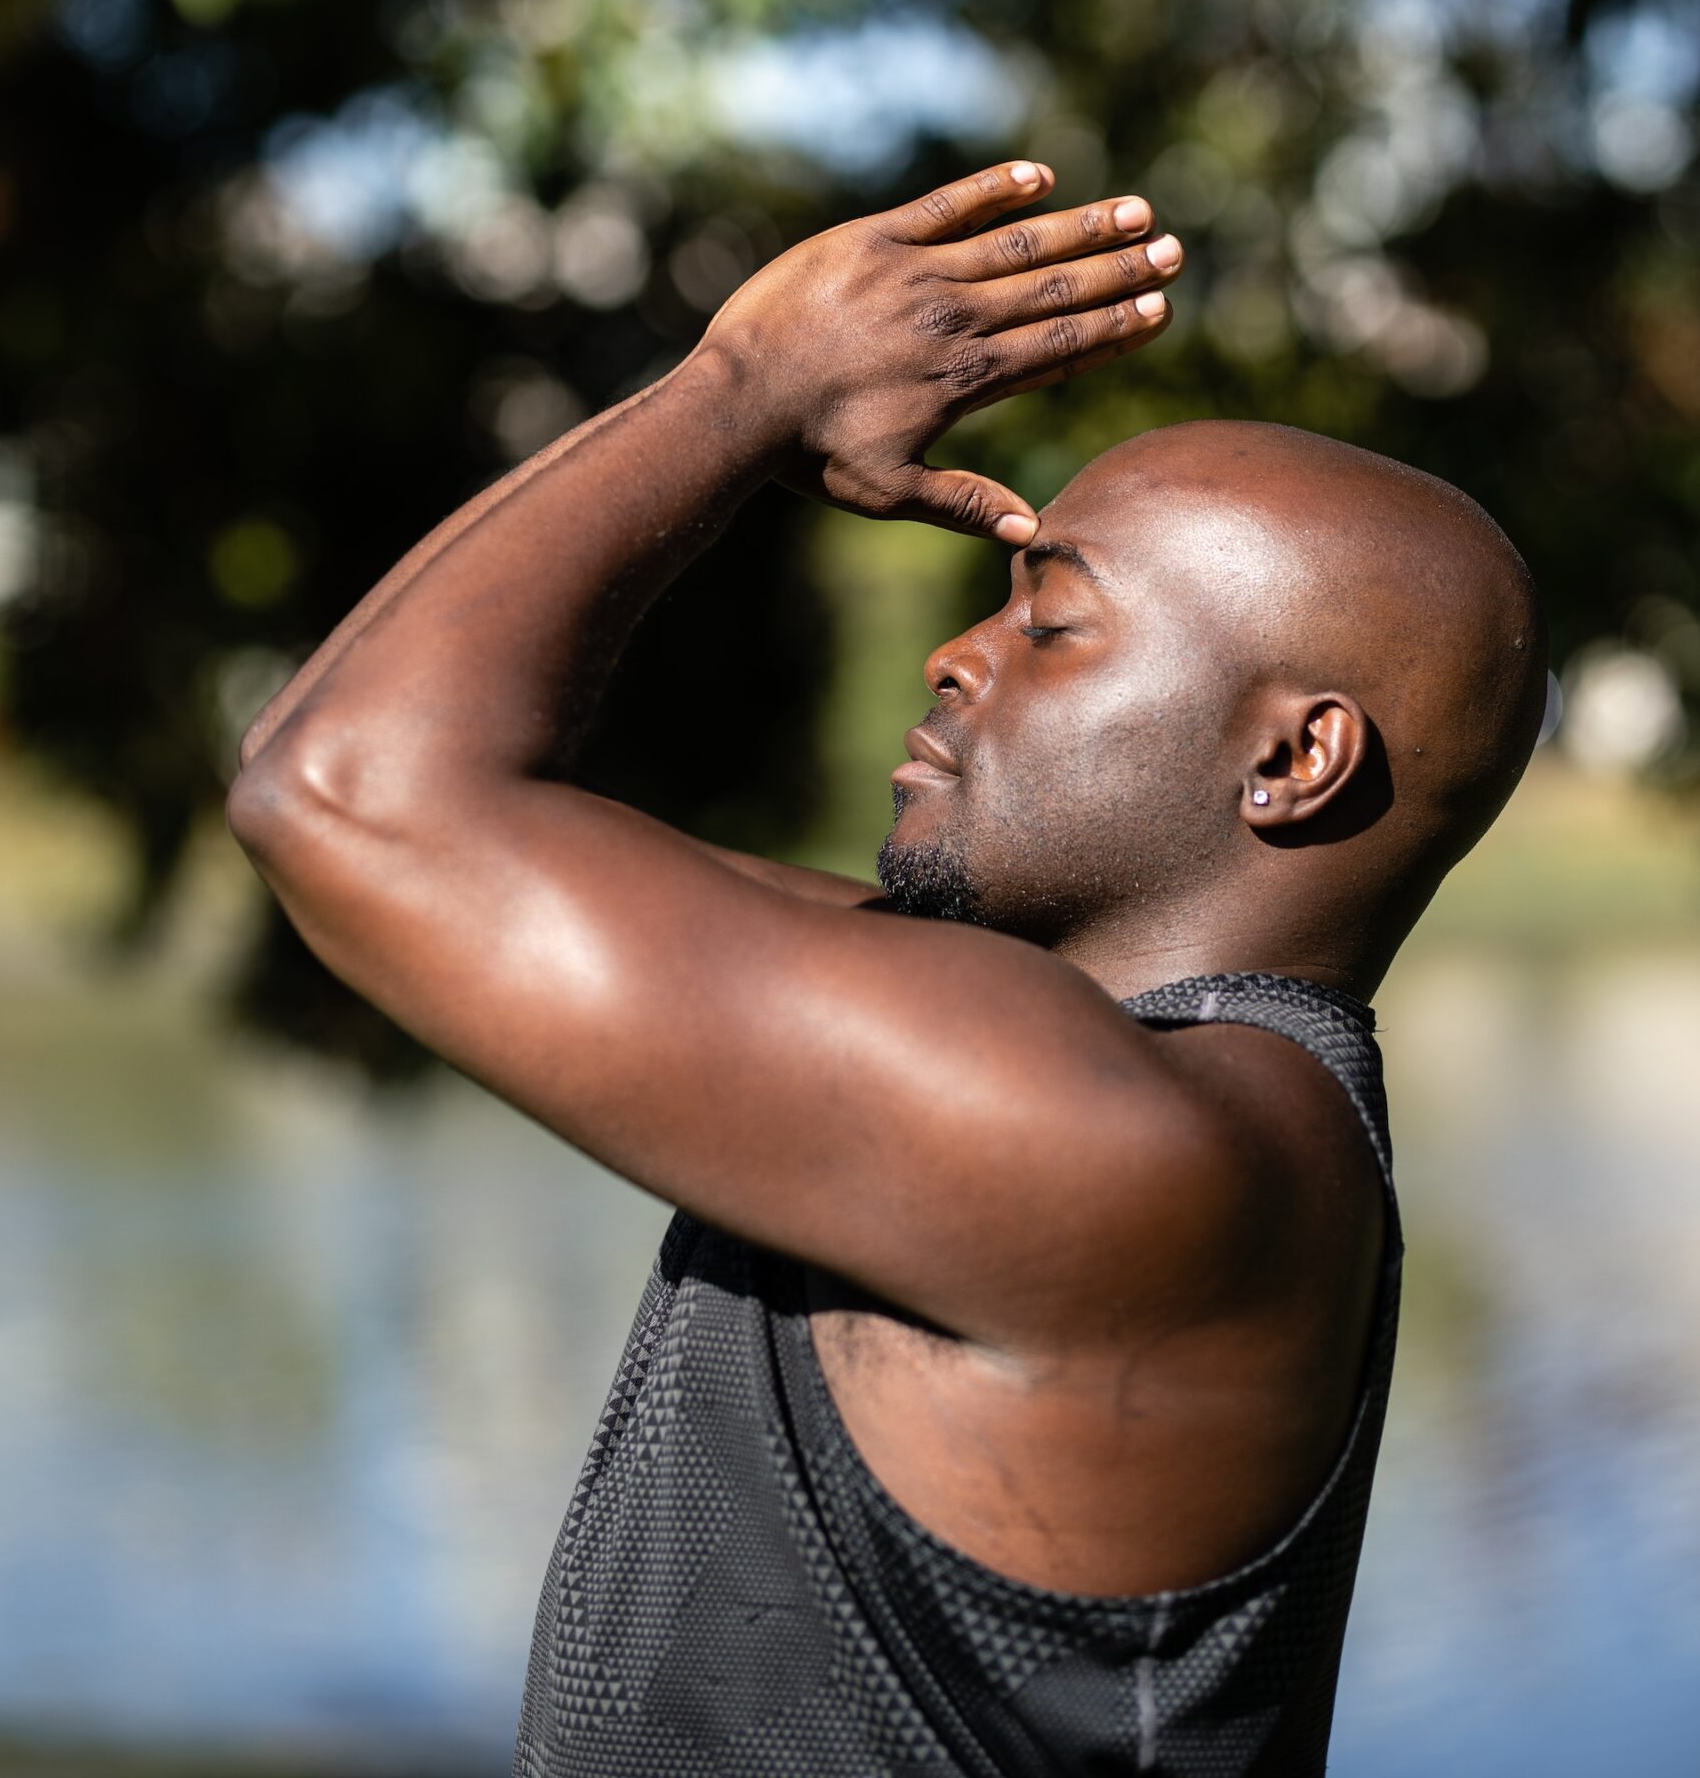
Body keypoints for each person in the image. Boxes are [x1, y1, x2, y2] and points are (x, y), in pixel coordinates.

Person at [228, 158, 1546, 1776]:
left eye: (1052, 625)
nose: (955, 652)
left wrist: (744, 387)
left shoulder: (1128, 1144)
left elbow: (345, 792)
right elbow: (442, 807)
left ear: (1294, 760)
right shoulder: (1083, 1066)